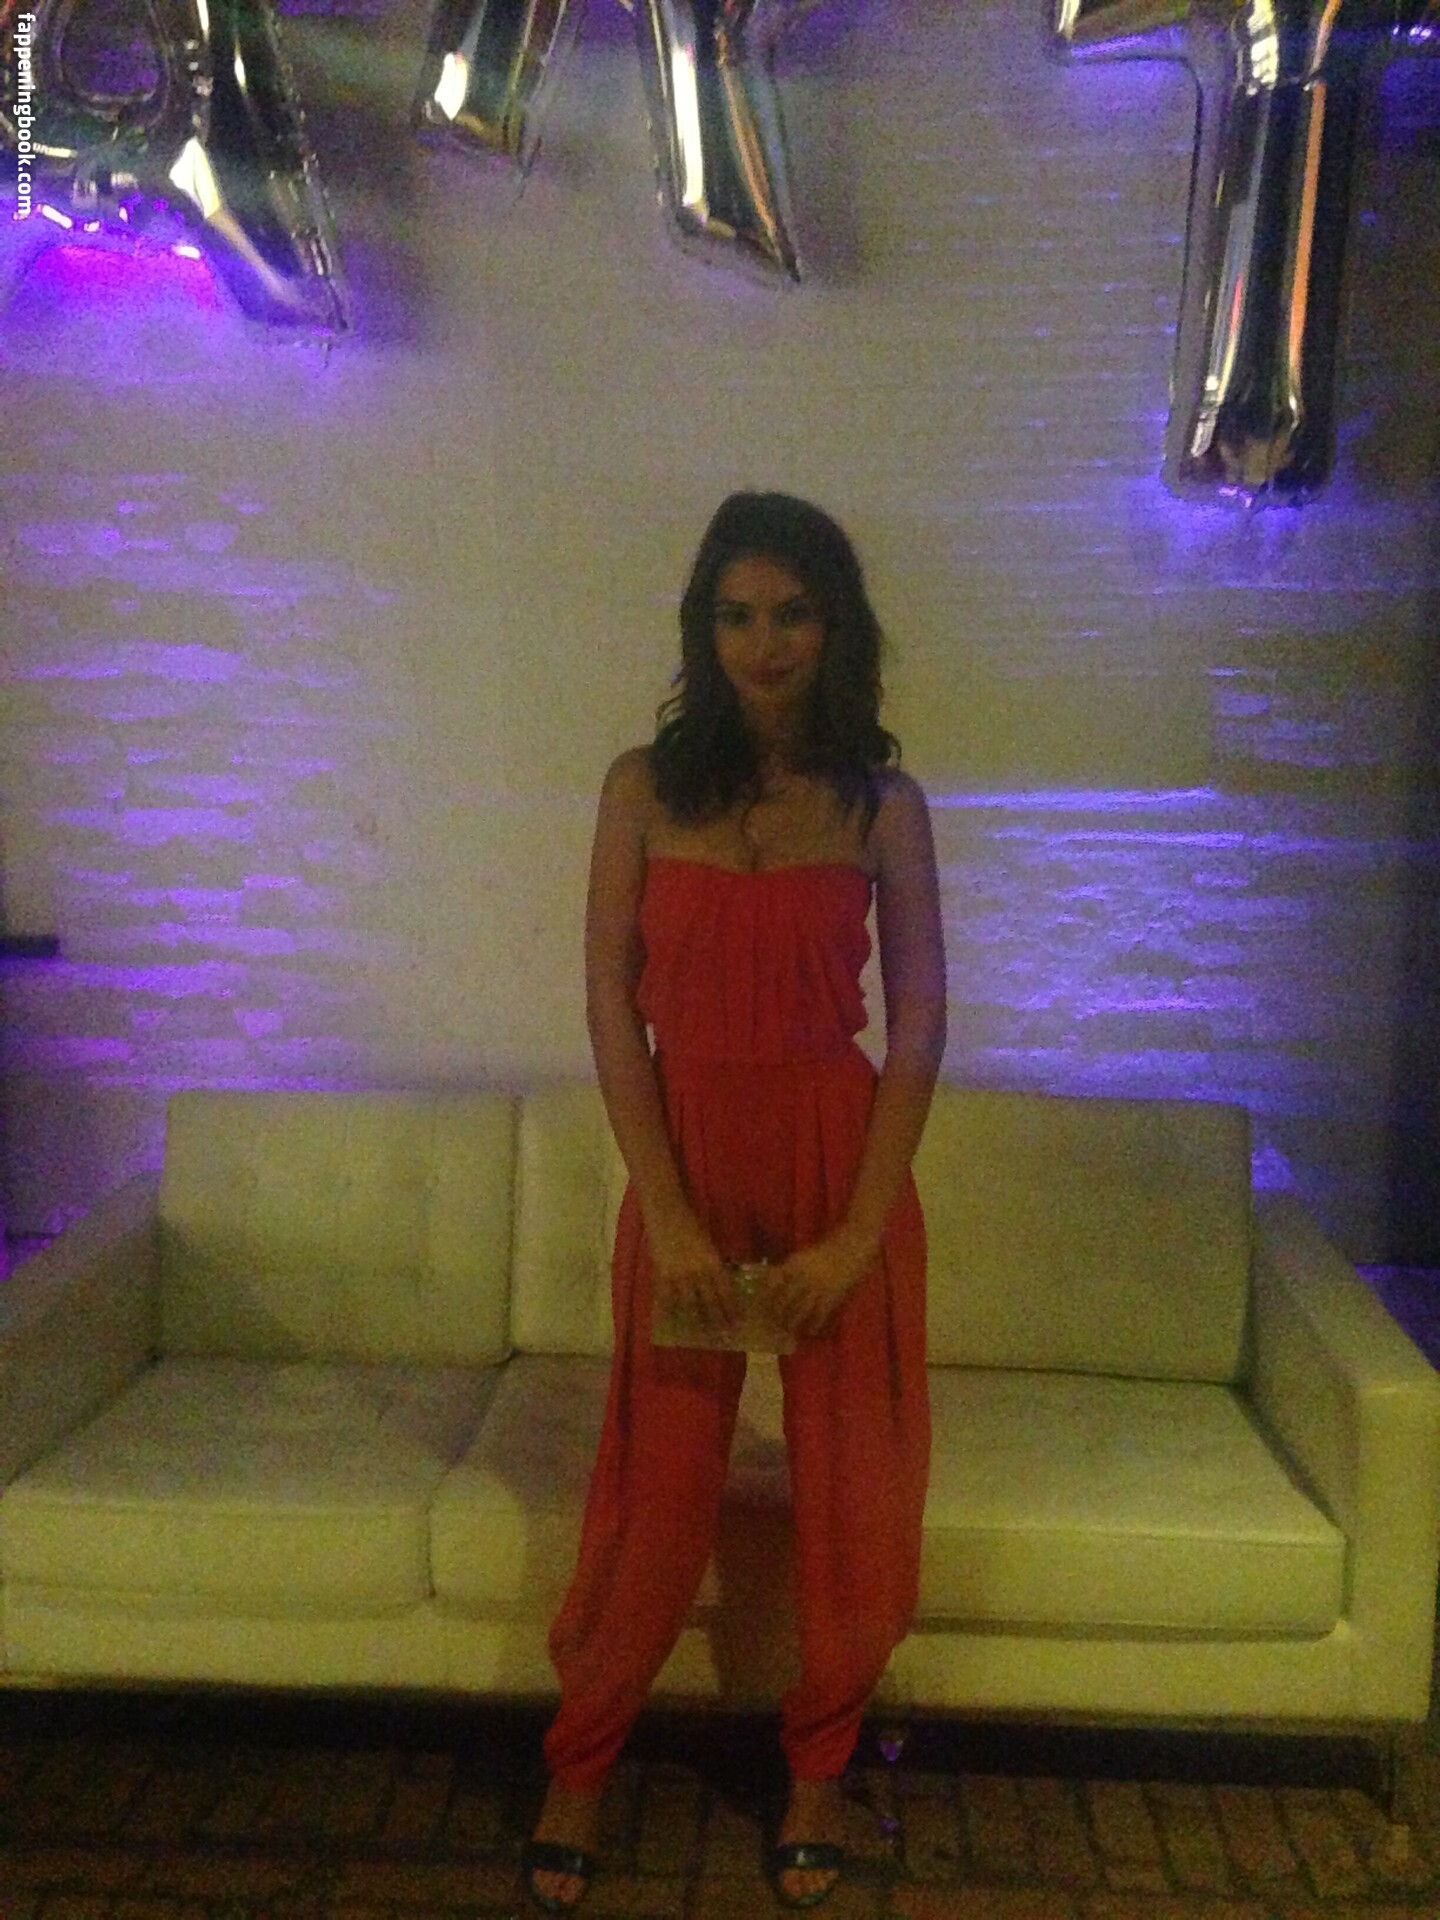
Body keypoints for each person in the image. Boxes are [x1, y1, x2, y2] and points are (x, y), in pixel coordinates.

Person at [522, 492, 945, 1913]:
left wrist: (859, 1233)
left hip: (839, 1162)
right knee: (655, 1491)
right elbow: (608, 1007)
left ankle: (818, 1768)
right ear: (704, 630)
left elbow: (922, 1024)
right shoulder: (641, 788)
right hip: (686, 1163)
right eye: (737, 615)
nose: (765, 643)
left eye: (794, 613)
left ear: (838, 627)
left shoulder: (883, 805)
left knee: (859, 1494)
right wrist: (669, 1213)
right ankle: (581, 1763)